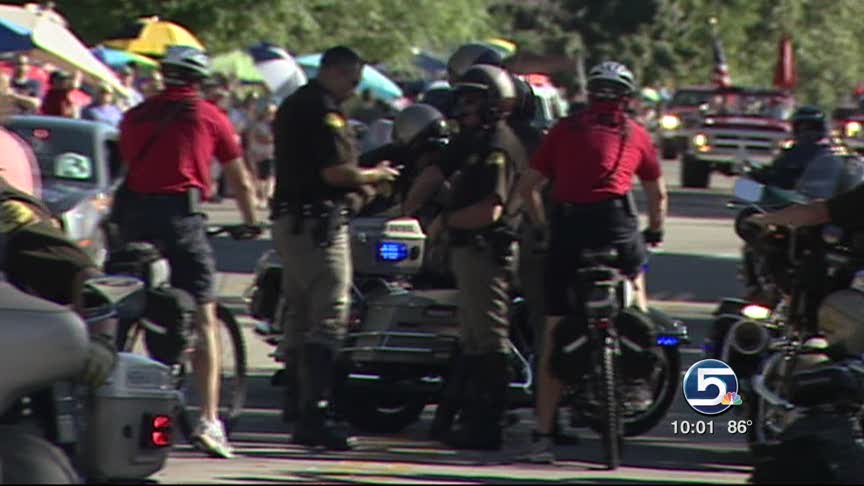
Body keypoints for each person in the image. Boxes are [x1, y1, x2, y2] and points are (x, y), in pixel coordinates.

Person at [515, 61, 668, 462]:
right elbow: (657, 193)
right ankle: (638, 343)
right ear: (626, 97)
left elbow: (528, 187)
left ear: (590, 92)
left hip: (568, 230)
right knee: (635, 279)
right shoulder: (636, 133)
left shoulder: (565, 129)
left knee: (553, 331)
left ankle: (543, 436)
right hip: (616, 227)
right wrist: (655, 231)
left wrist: (542, 225)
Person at [115, 46, 260, 459]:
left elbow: (132, 163)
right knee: (203, 312)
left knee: (127, 300)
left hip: (134, 217)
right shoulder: (208, 115)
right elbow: (241, 177)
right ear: (199, 79)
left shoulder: (135, 116)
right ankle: (210, 420)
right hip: (181, 217)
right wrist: (251, 220)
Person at [270, 46, 399, 451]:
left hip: (293, 221)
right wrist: (376, 175)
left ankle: (298, 401)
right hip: (317, 224)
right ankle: (316, 412)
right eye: (353, 79)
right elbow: (336, 172)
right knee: (329, 315)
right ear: (336, 72)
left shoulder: (295, 103)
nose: (354, 89)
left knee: (300, 312)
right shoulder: (324, 110)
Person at [424, 64, 525, 450]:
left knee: (489, 341)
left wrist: (444, 222)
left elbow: (490, 210)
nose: (464, 108)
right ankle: (462, 418)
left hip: (486, 251)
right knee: (472, 338)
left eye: (472, 100)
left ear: (494, 103)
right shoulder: (475, 141)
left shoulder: (499, 146)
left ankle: (486, 426)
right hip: (468, 252)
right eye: (462, 99)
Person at [358, 103, 449, 219]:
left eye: (438, 152)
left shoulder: (444, 172)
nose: (434, 158)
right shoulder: (387, 160)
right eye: (429, 151)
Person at [749, 105, 841, 190]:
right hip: (779, 198)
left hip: (803, 201)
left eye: (813, 128)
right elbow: (774, 173)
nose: (807, 133)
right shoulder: (791, 153)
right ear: (796, 130)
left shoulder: (827, 155)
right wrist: (756, 173)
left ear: (821, 130)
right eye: (802, 129)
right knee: (742, 188)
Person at [246, 102, 278, 209]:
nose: (271, 116)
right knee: (260, 179)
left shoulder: (274, 126)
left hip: (270, 155)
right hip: (259, 155)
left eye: (273, 113)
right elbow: (263, 138)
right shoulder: (259, 126)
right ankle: (261, 198)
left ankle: (267, 198)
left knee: (270, 177)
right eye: (269, 113)